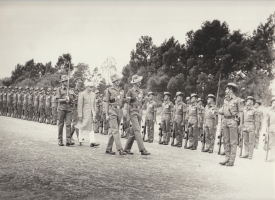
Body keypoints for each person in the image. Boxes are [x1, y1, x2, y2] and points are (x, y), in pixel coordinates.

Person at [123, 75, 150, 155]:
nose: (140, 82)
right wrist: (127, 115)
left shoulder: (141, 91)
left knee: (133, 131)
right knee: (137, 130)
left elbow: (141, 103)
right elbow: (128, 104)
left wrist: (144, 100)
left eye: (140, 81)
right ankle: (142, 149)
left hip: (139, 111)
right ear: (134, 82)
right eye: (138, 81)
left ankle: (127, 149)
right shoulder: (130, 91)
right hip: (132, 111)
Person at [218, 83, 243, 167]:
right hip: (225, 120)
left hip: (233, 121)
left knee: (233, 142)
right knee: (226, 140)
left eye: (227, 89)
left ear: (231, 89)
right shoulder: (225, 100)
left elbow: (240, 112)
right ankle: (226, 158)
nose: (225, 91)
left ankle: (231, 160)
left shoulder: (238, 100)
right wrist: (216, 110)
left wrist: (241, 124)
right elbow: (223, 111)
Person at [104, 74, 127, 155]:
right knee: (115, 130)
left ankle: (108, 149)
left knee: (113, 131)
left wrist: (124, 109)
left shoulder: (121, 91)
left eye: (118, 80)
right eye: (116, 80)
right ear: (113, 81)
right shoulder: (109, 90)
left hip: (119, 110)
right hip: (112, 110)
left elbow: (122, 101)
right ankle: (120, 149)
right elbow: (106, 102)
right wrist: (106, 114)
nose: (118, 82)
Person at [75, 81, 99, 147]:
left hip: (91, 113)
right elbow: (80, 105)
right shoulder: (82, 94)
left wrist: (94, 113)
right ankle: (80, 140)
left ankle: (92, 142)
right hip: (84, 113)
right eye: (90, 87)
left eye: (92, 87)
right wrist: (80, 115)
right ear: (86, 87)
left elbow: (94, 105)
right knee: (82, 126)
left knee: (91, 127)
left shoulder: (93, 94)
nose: (91, 88)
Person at [56, 75, 75, 146]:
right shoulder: (59, 89)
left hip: (69, 109)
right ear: (62, 82)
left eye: (67, 81)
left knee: (68, 124)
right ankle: (60, 140)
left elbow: (73, 99)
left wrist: (71, 98)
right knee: (61, 124)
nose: (66, 82)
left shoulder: (70, 90)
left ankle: (68, 140)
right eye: (65, 81)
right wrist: (65, 99)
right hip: (62, 108)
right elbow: (58, 100)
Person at [70, 77, 84, 143]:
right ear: (75, 83)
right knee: (76, 122)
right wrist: (76, 98)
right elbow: (71, 99)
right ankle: (79, 137)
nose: (79, 84)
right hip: (74, 107)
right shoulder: (72, 90)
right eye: (78, 82)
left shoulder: (81, 91)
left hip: (80, 108)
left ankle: (69, 136)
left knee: (76, 123)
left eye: (80, 83)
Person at [266, 97, 275, 162]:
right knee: (271, 143)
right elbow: (267, 121)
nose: (274, 103)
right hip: (271, 127)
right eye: (273, 102)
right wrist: (267, 130)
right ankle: (272, 156)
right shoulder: (269, 112)